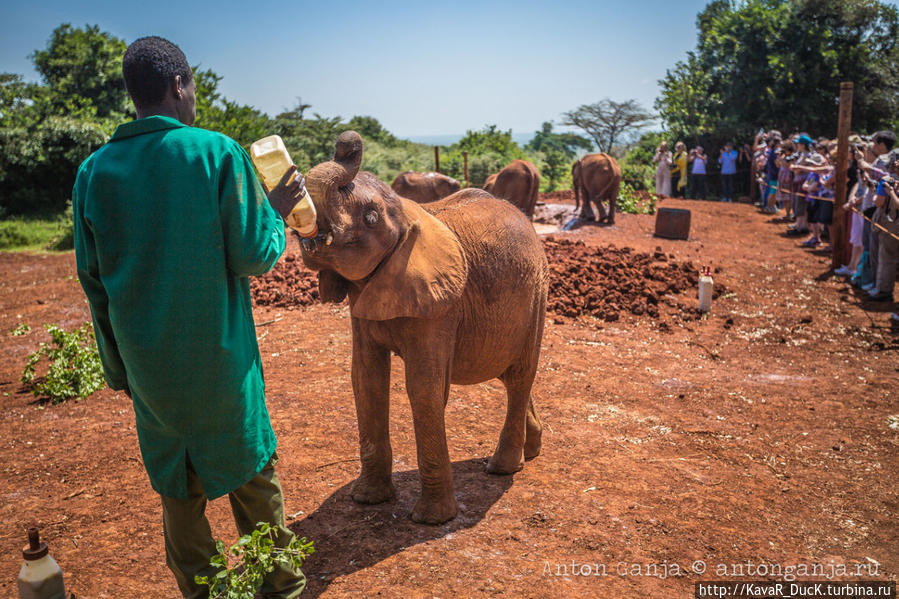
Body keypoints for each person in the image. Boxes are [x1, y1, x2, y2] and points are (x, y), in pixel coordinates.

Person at [72, 36, 307, 598]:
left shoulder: (93, 173)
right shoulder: (216, 154)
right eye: (193, 87)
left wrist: (118, 369)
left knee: (179, 492)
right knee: (253, 474)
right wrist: (275, 210)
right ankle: (280, 587)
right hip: (220, 366)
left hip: (150, 370)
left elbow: (93, 284)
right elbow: (253, 254)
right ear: (179, 86)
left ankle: (206, 593)